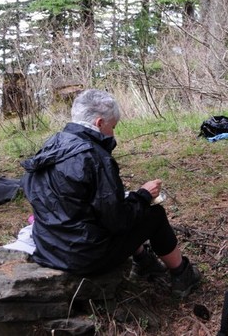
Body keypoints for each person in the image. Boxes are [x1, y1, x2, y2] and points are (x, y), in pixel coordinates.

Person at [21, 89, 202, 297]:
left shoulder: (51, 145)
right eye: (113, 127)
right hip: (84, 256)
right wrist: (143, 195)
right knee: (154, 215)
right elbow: (117, 221)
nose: (113, 134)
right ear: (99, 123)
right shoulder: (94, 157)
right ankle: (182, 275)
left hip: (49, 247)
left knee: (114, 209)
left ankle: (145, 262)